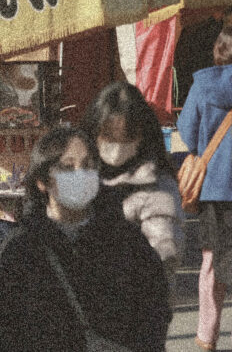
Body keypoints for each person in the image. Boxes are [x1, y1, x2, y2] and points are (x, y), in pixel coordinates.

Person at [0, 126, 171, 352]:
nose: (80, 174)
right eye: (67, 167)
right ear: (42, 180)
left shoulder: (126, 241)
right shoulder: (20, 250)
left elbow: (155, 309)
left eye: (88, 165)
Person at [178, 26, 232, 352]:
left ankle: (206, 336)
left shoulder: (201, 85)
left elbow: (186, 132)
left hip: (211, 189)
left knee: (211, 263)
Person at [81, 81, 184, 296]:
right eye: (108, 137)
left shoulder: (156, 185)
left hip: (133, 304)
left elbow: (164, 253)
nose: (117, 146)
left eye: (127, 138)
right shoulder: (83, 173)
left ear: (142, 136)